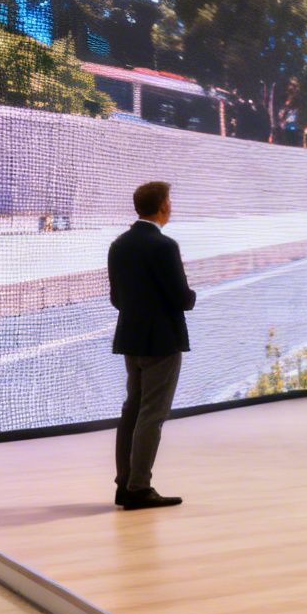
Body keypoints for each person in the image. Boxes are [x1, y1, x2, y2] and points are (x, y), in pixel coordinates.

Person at [108, 182, 196, 510]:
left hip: (131, 338)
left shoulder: (119, 244)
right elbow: (181, 297)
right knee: (152, 413)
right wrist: (191, 297)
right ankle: (139, 487)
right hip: (162, 340)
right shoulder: (164, 246)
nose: (171, 205)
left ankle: (124, 484)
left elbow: (117, 298)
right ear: (162, 206)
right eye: (169, 200)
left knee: (132, 409)